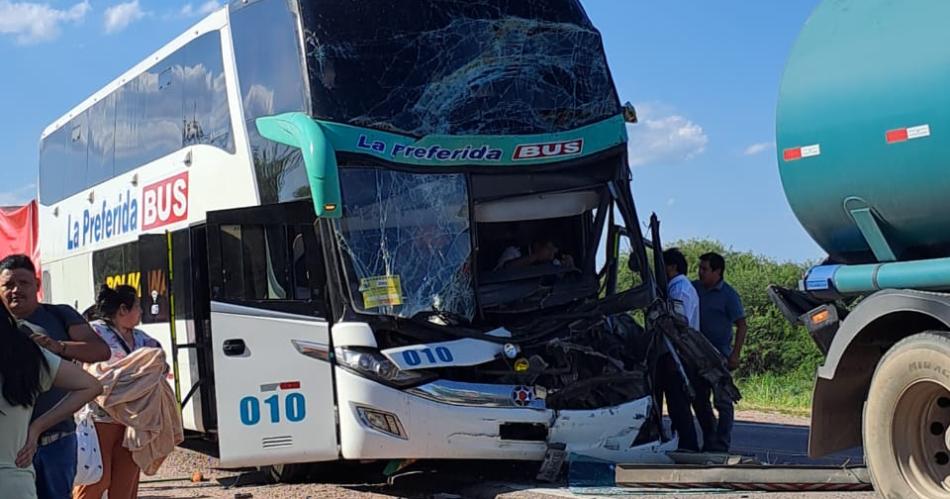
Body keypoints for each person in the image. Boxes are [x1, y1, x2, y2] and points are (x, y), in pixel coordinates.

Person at [0, 254, 110, 499]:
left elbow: (100, 351)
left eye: (24, 283)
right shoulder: (4, 329)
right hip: (10, 448)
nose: (16, 290)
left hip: (55, 439)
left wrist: (58, 347)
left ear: (37, 285)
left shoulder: (58, 315)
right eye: (8, 285)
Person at [74, 285, 163, 499]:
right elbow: (81, 365)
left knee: (126, 481)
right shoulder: (94, 332)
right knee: (96, 478)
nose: (141, 311)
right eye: (138, 306)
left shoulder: (142, 338)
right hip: (99, 418)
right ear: (123, 310)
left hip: (133, 421)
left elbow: (158, 363)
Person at [692, 252, 747, 452]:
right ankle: (709, 440)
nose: (700, 272)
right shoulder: (694, 288)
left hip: (719, 358)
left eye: (705, 269)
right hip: (696, 354)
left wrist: (735, 354)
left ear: (718, 271)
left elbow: (742, 325)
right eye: (700, 268)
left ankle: (721, 445)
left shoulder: (729, 295)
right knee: (699, 400)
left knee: (723, 402)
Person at [654, 248, 700, 452]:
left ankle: (687, 445)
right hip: (675, 353)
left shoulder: (679, 290)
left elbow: (679, 324)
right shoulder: (678, 287)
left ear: (671, 266)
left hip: (678, 354)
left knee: (678, 404)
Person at [495, 239, 574, 270]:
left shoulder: (554, 262)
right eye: (549, 250)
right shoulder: (513, 251)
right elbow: (505, 269)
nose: (551, 256)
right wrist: (536, 256)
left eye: (553, 252)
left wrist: (567, 268)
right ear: (538, 245)